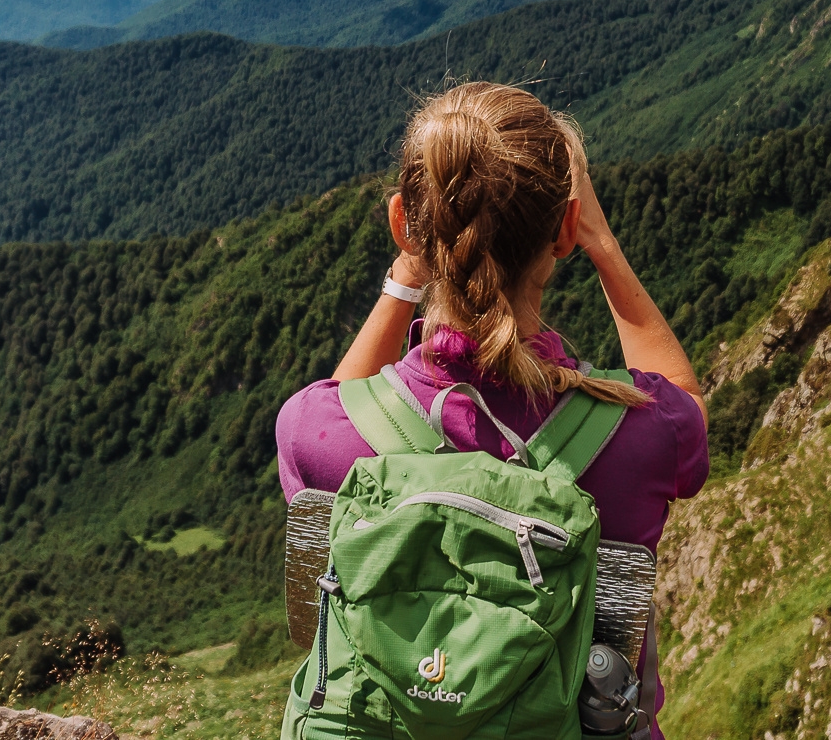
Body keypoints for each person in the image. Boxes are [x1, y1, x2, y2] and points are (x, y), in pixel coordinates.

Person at [275, 81, 709, 737]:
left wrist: (405, 278)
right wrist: (602, 243)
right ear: (563, 230)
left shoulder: (315, 431)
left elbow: (346, 404)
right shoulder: (646, 433)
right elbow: (691, 408)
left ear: (404, 224)